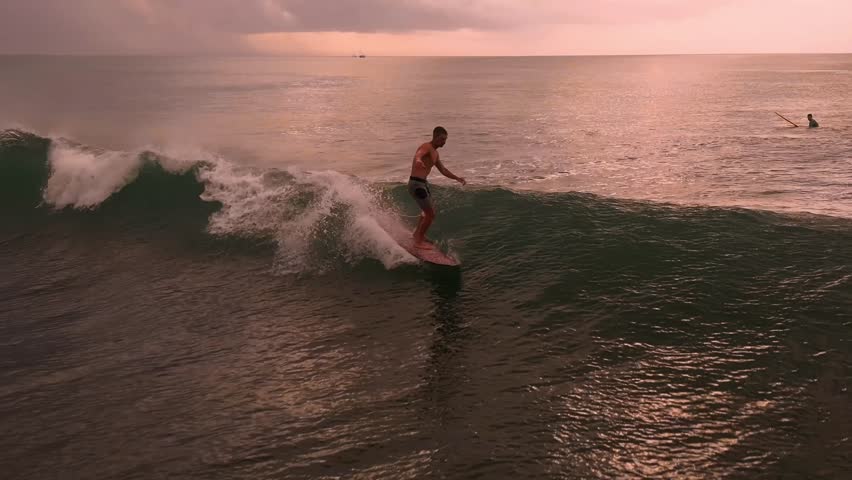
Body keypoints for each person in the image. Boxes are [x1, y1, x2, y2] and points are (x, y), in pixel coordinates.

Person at [407, 126, 466, 248]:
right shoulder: (426, 147)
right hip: (416, 184)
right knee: (431, 214)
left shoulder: (435, 153)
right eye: (442, 139)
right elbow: (419, 154)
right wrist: (418, 160)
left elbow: (443, 170)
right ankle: (418, 240)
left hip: (423, 184)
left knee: (427, 212)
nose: (444, 142)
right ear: (435, 137)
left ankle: (417, 234)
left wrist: (457, 178)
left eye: (445, 139)